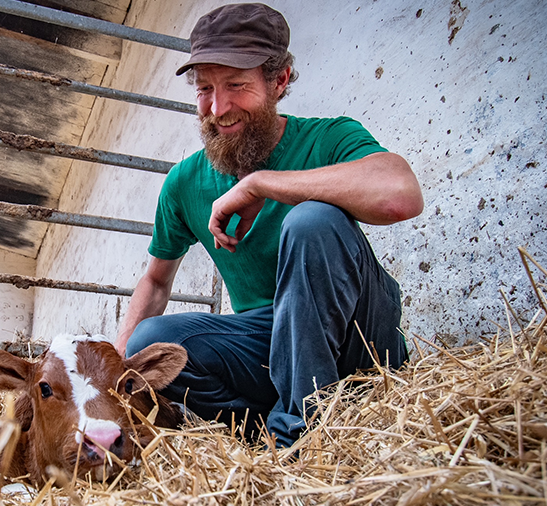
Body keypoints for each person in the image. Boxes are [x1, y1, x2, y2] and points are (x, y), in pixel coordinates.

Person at [114, 3, 424, 447]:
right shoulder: (184, 183)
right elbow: (156, 282)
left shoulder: (328, 137)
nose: (218, 108)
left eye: (236, 85)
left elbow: (401, 194)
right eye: (205, 89)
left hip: (361, 342)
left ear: (279, 81)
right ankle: (261, 432)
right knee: (153, 341)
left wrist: (264, 183)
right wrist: (116, 363)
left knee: (313, 220)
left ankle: (297, 438)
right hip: (270, 346)